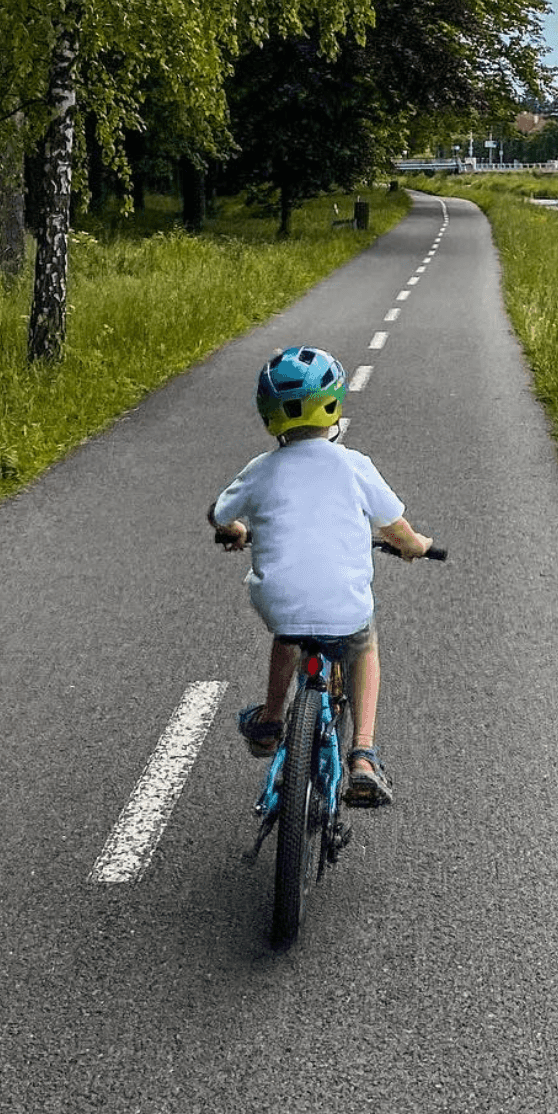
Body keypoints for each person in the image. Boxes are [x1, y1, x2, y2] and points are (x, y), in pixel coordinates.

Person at [208, 345, 433, 807]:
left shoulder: (260, 470)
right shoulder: (354, 466)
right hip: (344, 609)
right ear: (334, 403)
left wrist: (236, 531)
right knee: (363, 645)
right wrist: (415, 547)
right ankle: (364, 755)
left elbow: (219, 514)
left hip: (281, 605)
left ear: (269, 415)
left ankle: (272, 717)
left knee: (289, 635)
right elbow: (397, 529)